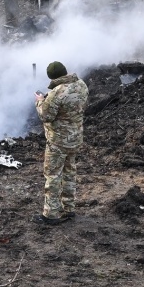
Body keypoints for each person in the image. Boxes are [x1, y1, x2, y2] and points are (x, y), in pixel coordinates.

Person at [33, 61, 89, 225]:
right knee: (70, 172)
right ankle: (68, 209)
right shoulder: (81, 84)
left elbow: (46, 115)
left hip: (58, 141)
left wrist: (40, 101)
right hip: (75, 138)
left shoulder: (57, 93)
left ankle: (50, 214)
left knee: (53, 176)